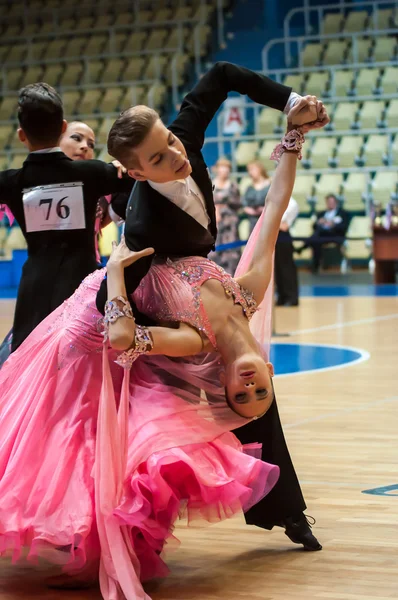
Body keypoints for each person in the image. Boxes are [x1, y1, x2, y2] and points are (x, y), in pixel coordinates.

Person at [0, 104, 314, 599]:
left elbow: (123, 338)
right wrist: (293, 138)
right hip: (100, 313)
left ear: (228, 385)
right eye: (260, 391)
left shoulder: (196, 339)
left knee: (89, 440)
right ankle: (95, 543)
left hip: (95, 324)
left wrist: (120, 272)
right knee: (82, 437)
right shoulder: (247, 293)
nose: (250, 387)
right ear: (269, 372)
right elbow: (274, 208)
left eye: (241, 395)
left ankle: (98, 548)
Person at [98, 62, 328, 551]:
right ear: (137, 172)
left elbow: (221, 75)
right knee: (158, 421)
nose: (177, 157)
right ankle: (143, 526)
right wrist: (118, 273)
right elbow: (107, 307)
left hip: (163, 313)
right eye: (160, 158)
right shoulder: (147, 230)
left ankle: (282, 510)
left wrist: (293, 113)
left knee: (229, 411)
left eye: (173, 145)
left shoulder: (178, 141)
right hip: (138, 290)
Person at [0, 84, 134, 352]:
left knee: (29, 358)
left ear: (21, 135)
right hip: (83, 284)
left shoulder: (10, 182)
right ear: (62, 128)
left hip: (34, 287)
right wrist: (114, 210)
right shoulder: (93, 172)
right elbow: (138, 179)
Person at [298, 193, 350, 273]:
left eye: (332, 202)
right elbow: (314, 226)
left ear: (335, 202)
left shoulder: (342, 213)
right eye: (329, 202)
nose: (330, 204)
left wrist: (332, 224)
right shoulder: (321, 214)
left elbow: (344, 227)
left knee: (316, 237)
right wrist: (319, 222)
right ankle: (315, 267)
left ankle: (302, 248)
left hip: (335, 235)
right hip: (322, 235)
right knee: (316, 241)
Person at [211, 157, 241, 274]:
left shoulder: (233, 186)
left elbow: (238, 204)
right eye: (222, 168)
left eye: (227, 168)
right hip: (214, 222)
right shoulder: (210, 183)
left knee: (231, 253)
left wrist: (222, 207)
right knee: (214, 252)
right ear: (217, 169)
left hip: (230, 223)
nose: (224, 171)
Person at [274, 196, 300, 306]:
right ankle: (281, 296)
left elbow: (284, 226)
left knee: (286, 268)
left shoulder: (292, 203)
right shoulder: (276, 199)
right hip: (274, 235)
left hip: (283, 236)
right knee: (277, 268)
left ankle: (291, 297)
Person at [242, 161, 271, 234]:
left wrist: (264, 210)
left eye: (252, 169)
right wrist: (251, 211)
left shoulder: (270, 185)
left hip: (267, 220)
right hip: (253, 222)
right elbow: (244, 204)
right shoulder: (249, 188)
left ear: (260, 169)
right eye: (249, 170)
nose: (250, 172)